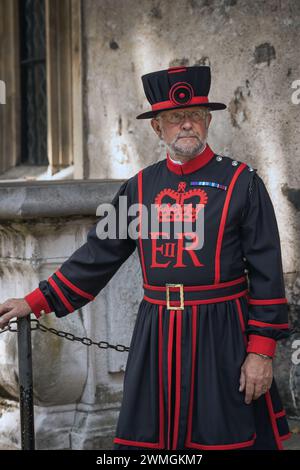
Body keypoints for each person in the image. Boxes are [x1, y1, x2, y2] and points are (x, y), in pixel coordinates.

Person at [0, 65, 291, 450]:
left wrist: (261, 352)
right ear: (158, 128)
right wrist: (35, 301)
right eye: (174, 118)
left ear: (207, 121)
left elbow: (268, 274)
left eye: (194, 116)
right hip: (157, 335)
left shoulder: (243, 183)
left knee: (221, 438)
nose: (186, 125)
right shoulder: (139, 188)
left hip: (222, 335)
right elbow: (96, 257)